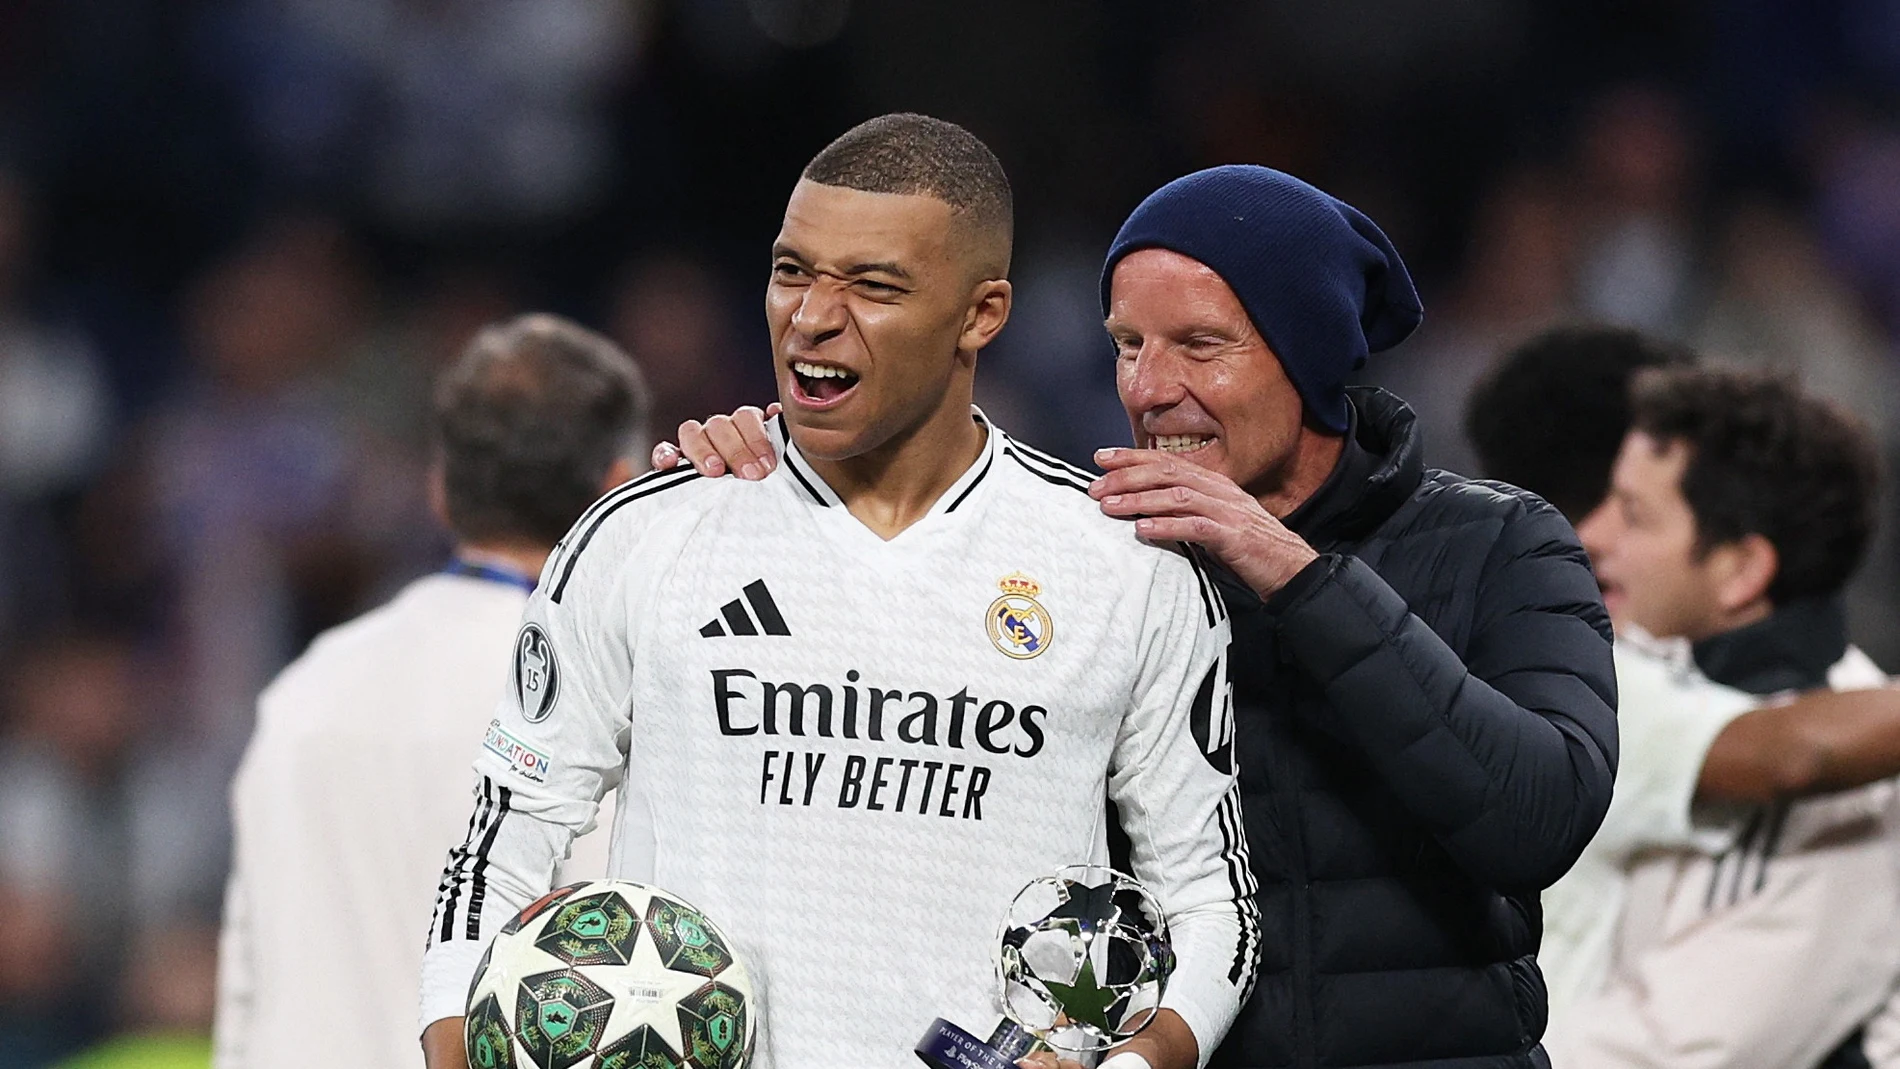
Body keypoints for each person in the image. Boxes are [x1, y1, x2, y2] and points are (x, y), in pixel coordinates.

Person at [665, 165, 1619, 1069]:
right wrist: (753, 504)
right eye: (1127, 344)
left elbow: (1536, 819)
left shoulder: (1501, 542)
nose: (1148, 388)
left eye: (1200, 345)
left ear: (1312, 353)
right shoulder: (1089, 563)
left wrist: (1294, 572)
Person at [418, 115, 1257, 1069]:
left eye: (873, 285)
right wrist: (455, 1046)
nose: (812, 316)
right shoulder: (646, 535)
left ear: (982, 315)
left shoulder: (1124, 568)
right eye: (791, 271)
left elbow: (1209, 900)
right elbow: (499, 843)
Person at [213, 314, 647, 1069]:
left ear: (440, 489)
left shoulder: (305, 688)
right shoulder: (613, 699)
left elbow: (246, 989)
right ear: (620, 486)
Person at [1464, 326, 1900, 1027]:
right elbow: (1787, 752)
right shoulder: (1582, 678)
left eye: (1635, 512)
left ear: (1741, 567)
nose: (1602, 540)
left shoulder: (1862, 772)